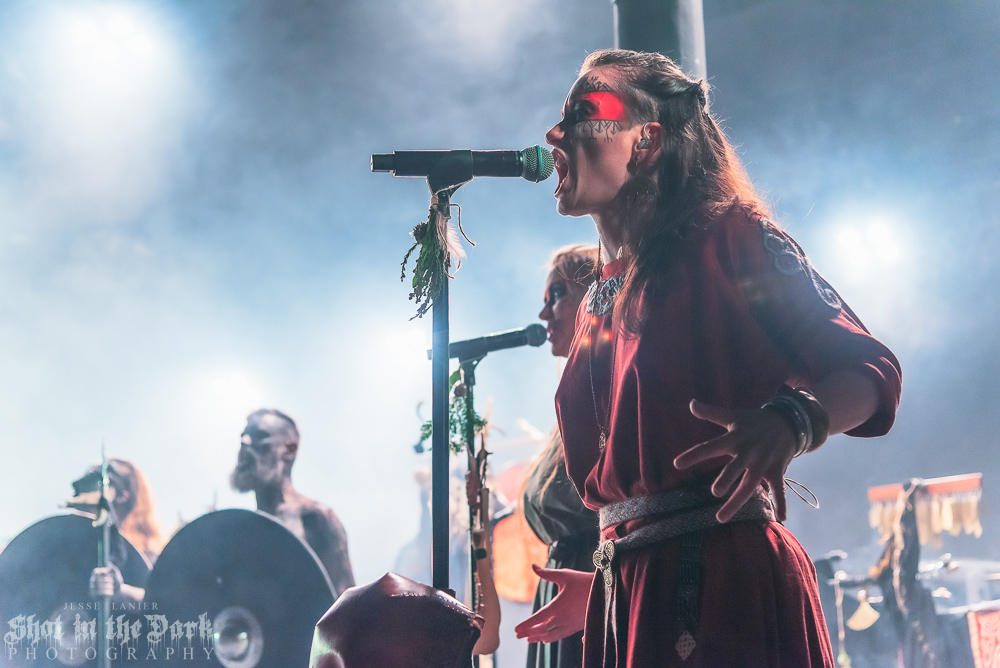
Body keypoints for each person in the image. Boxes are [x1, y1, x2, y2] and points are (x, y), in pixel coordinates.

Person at [535, 49, 902, 667]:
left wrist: (793, 420)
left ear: (646, 141)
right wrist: (613, 575)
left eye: (583, 113)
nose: (555, 133)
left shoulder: (731, 240)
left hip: (722, 586)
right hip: (632, 596)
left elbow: (871, 370)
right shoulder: (601, 292)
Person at [513, 244, 601, 668]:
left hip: (597, 588)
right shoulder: (570, 403)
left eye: (556, 295)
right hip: (564, 595)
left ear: (593, 295)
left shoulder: (612, 391)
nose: (544, 314)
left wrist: (603, 588)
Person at [231, 408, 355, 597]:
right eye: (244, 436)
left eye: (260, 436)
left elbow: (346, 605)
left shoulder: (315, 518)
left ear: (289, 449)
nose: (245, 442)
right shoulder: (242, 530)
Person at [77, 458, 165, 602]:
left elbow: (165, 603)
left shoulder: (149, 553)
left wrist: (121, 592)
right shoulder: (77, 551)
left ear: (123, 496)